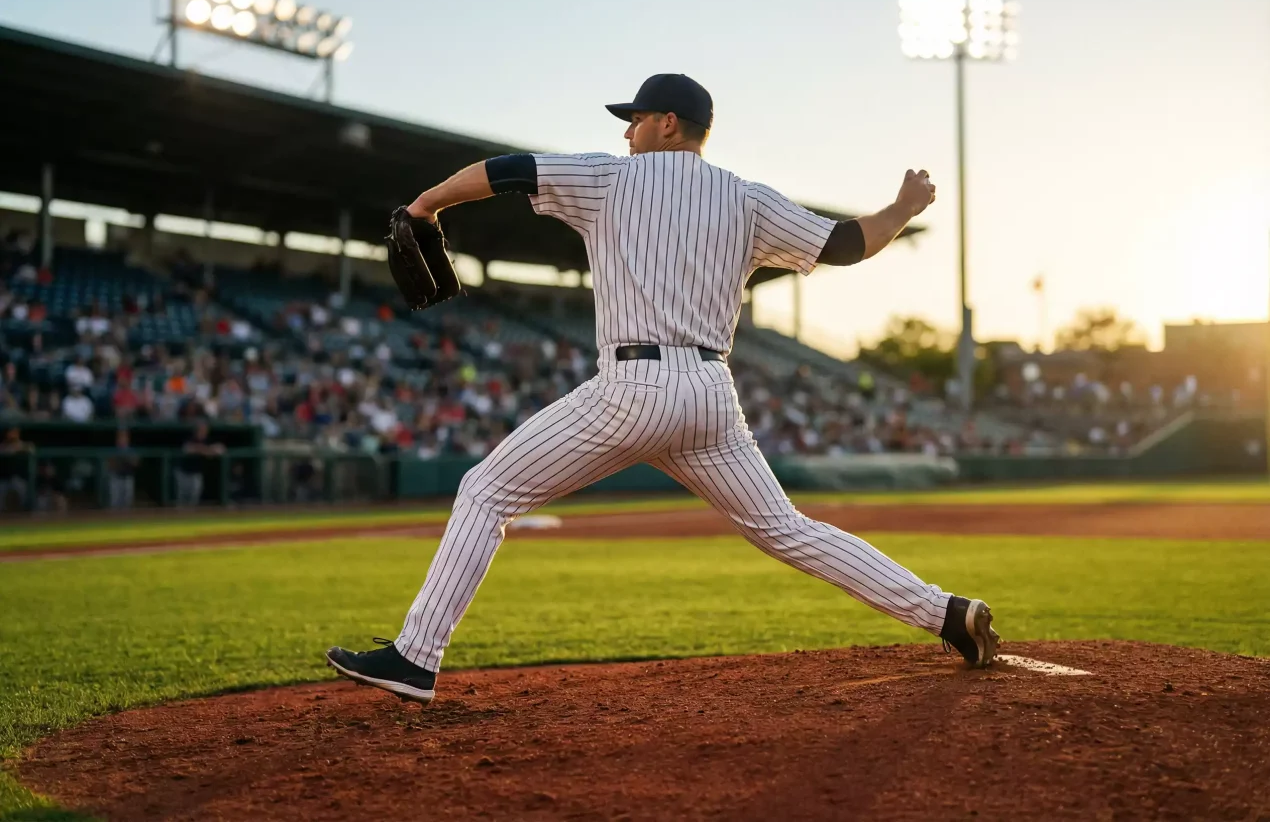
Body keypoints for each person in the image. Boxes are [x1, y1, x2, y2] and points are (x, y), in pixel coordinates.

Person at [327, 74, 998, 703]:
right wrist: (905, 207)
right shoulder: (748, 196)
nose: (627, 133)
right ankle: (944, 612)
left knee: (485, 490)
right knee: (788, 530)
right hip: (710, 395)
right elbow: (848, 244)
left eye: (637, 119)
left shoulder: (607, 177)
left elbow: (506, 171)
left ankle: (417, 655)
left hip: (633, 387)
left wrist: (425, 204)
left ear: (669, 124)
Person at [175, 420, 222, 507]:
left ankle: (191, 518)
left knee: (194, 499)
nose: (203, 431)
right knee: (182, 499)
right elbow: (188, 449)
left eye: (205, 429)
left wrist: (204, 450)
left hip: (196, 473)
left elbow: (220, 449)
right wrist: (204, 450)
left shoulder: (208, 440)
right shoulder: (190, 438)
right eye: (201, 429)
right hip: (184, 471)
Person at [0, 427, 33, 511]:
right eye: (10, 433)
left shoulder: (23, 445)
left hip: (18, 478)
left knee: (23, 492)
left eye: (15, 433)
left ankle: (24, 514)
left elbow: (31, 449)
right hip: (4, 479)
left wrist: (18, 448)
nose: (12, 435)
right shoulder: (3, 445)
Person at [108, 427, 139, 510]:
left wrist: (128, 458)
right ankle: (114, 519)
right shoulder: (114, 450)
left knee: (127, 502)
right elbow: (109, 464)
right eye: (120, 437)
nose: (122, 439)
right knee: (115, 502)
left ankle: (126, 519)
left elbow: (136, 463)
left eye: (124, 437)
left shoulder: (131, 450)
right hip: (116, 477)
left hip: (128, 476)